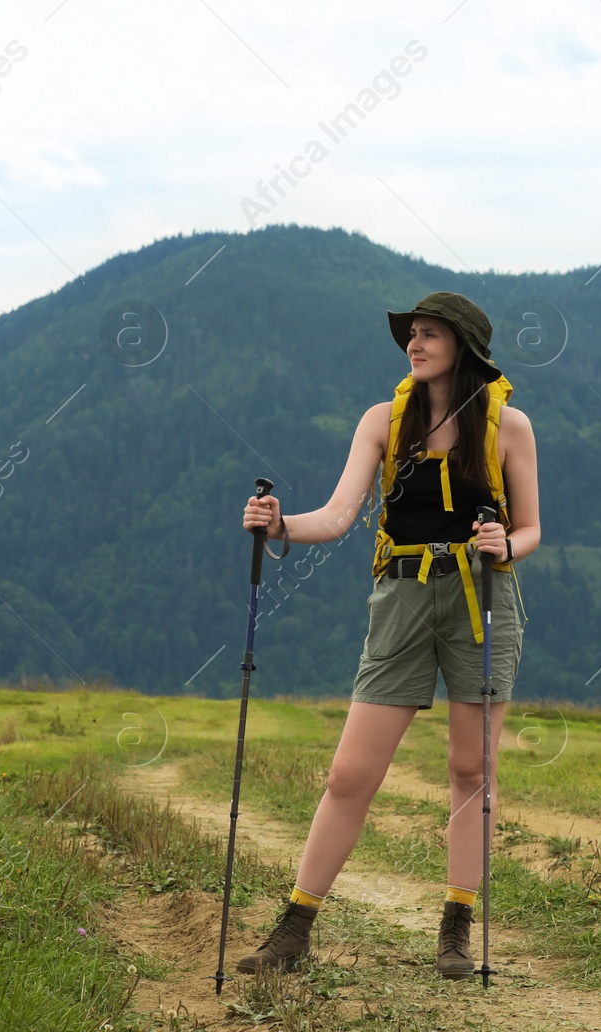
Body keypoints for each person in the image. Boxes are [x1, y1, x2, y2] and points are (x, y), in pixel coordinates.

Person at [237, 291, 541, 979]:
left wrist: (505, 541)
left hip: (481, 597)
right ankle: (294, 927)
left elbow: (532, 528)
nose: (415, 342)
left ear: (463, 345)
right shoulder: (384, 420)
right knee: (350, 771)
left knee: (472, 770)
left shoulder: (508, 427)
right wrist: (279, 523)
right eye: (412, 333)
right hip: (400, 597)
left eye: (430, 333)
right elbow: (341, 515)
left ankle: (456, 929)